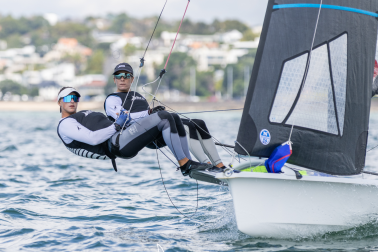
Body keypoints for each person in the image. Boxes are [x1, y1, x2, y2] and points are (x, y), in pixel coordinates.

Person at [56, 87, 212, 175]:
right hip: (116, 145)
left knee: (173, 118)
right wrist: (117, 125)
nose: (73, 102)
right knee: (163, 117)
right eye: (68, 98)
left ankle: (191, 162)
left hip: (122, 136)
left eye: (75, 98)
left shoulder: (82, 115)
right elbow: (93, 139)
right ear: (59, 102)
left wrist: (130, 118)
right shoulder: (65, 124)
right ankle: (185, 165)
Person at [104, 63, 227, 171]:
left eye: (126, 76)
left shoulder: (137, 96)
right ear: (114, 79)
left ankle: (215, 165)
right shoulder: (112, 99)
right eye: (118, 76)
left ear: (132, 79)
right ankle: (186, 163)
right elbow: (124, 118)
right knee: (165, 116)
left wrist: (151, 114)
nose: (122, 79)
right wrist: (150, 113)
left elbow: (147, 116)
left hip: (153, 129)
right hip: (131, 137)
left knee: (195, 123)